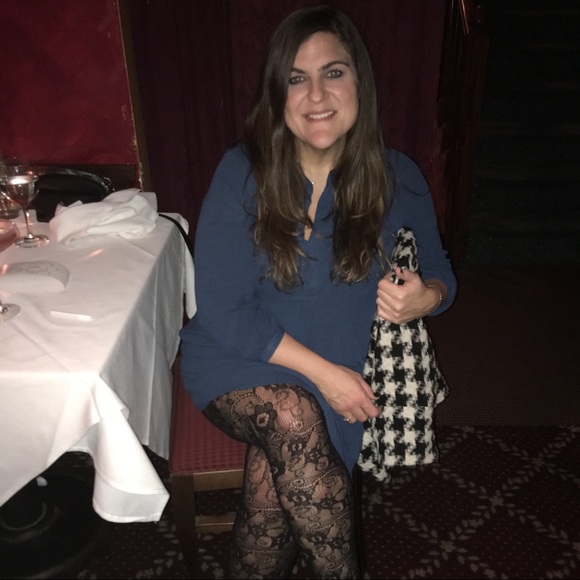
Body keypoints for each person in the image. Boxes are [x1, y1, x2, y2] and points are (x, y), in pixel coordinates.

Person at [180, 4, 456, 578]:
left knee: (271, 494)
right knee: (291, 413)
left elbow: (441, 273)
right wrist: (327, 377)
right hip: (239, 359)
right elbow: (224, 311)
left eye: (333, 72)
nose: (316, 95)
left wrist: (426, 297)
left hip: (338, 364)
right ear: (277, 95)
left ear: (359, 82)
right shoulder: (243, 171)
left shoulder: (398, 176)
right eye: (296, 78)